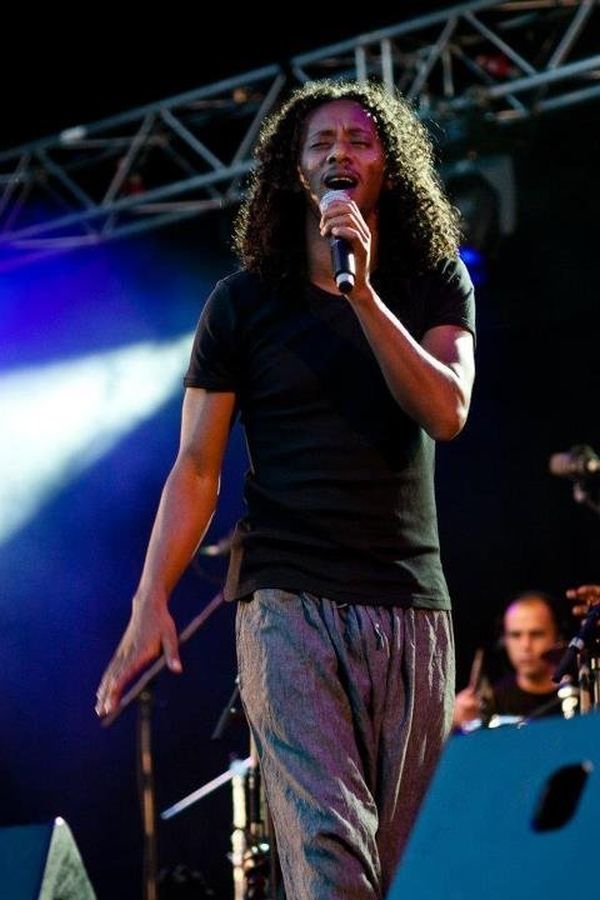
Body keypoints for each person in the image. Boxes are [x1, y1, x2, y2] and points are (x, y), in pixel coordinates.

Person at [95, 79, 476, 900]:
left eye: (361, 140)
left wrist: (363, 295)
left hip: (409, 600)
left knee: (412, 874)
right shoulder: (241, 304)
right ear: (296, 171)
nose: (341, 151)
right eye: (321, 142)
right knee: (329, 866)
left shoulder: (433, 281)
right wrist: (149, 597)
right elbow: (196, 466)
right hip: (288, 603)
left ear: (388, 166)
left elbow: (447, 410)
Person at [453, 591, 566, 729]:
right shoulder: (490, 705)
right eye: (515, 635)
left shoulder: (581, 695)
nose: (526, 645)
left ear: (558, 637)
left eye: (537, 634)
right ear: (504, 640)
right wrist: (453, 723)